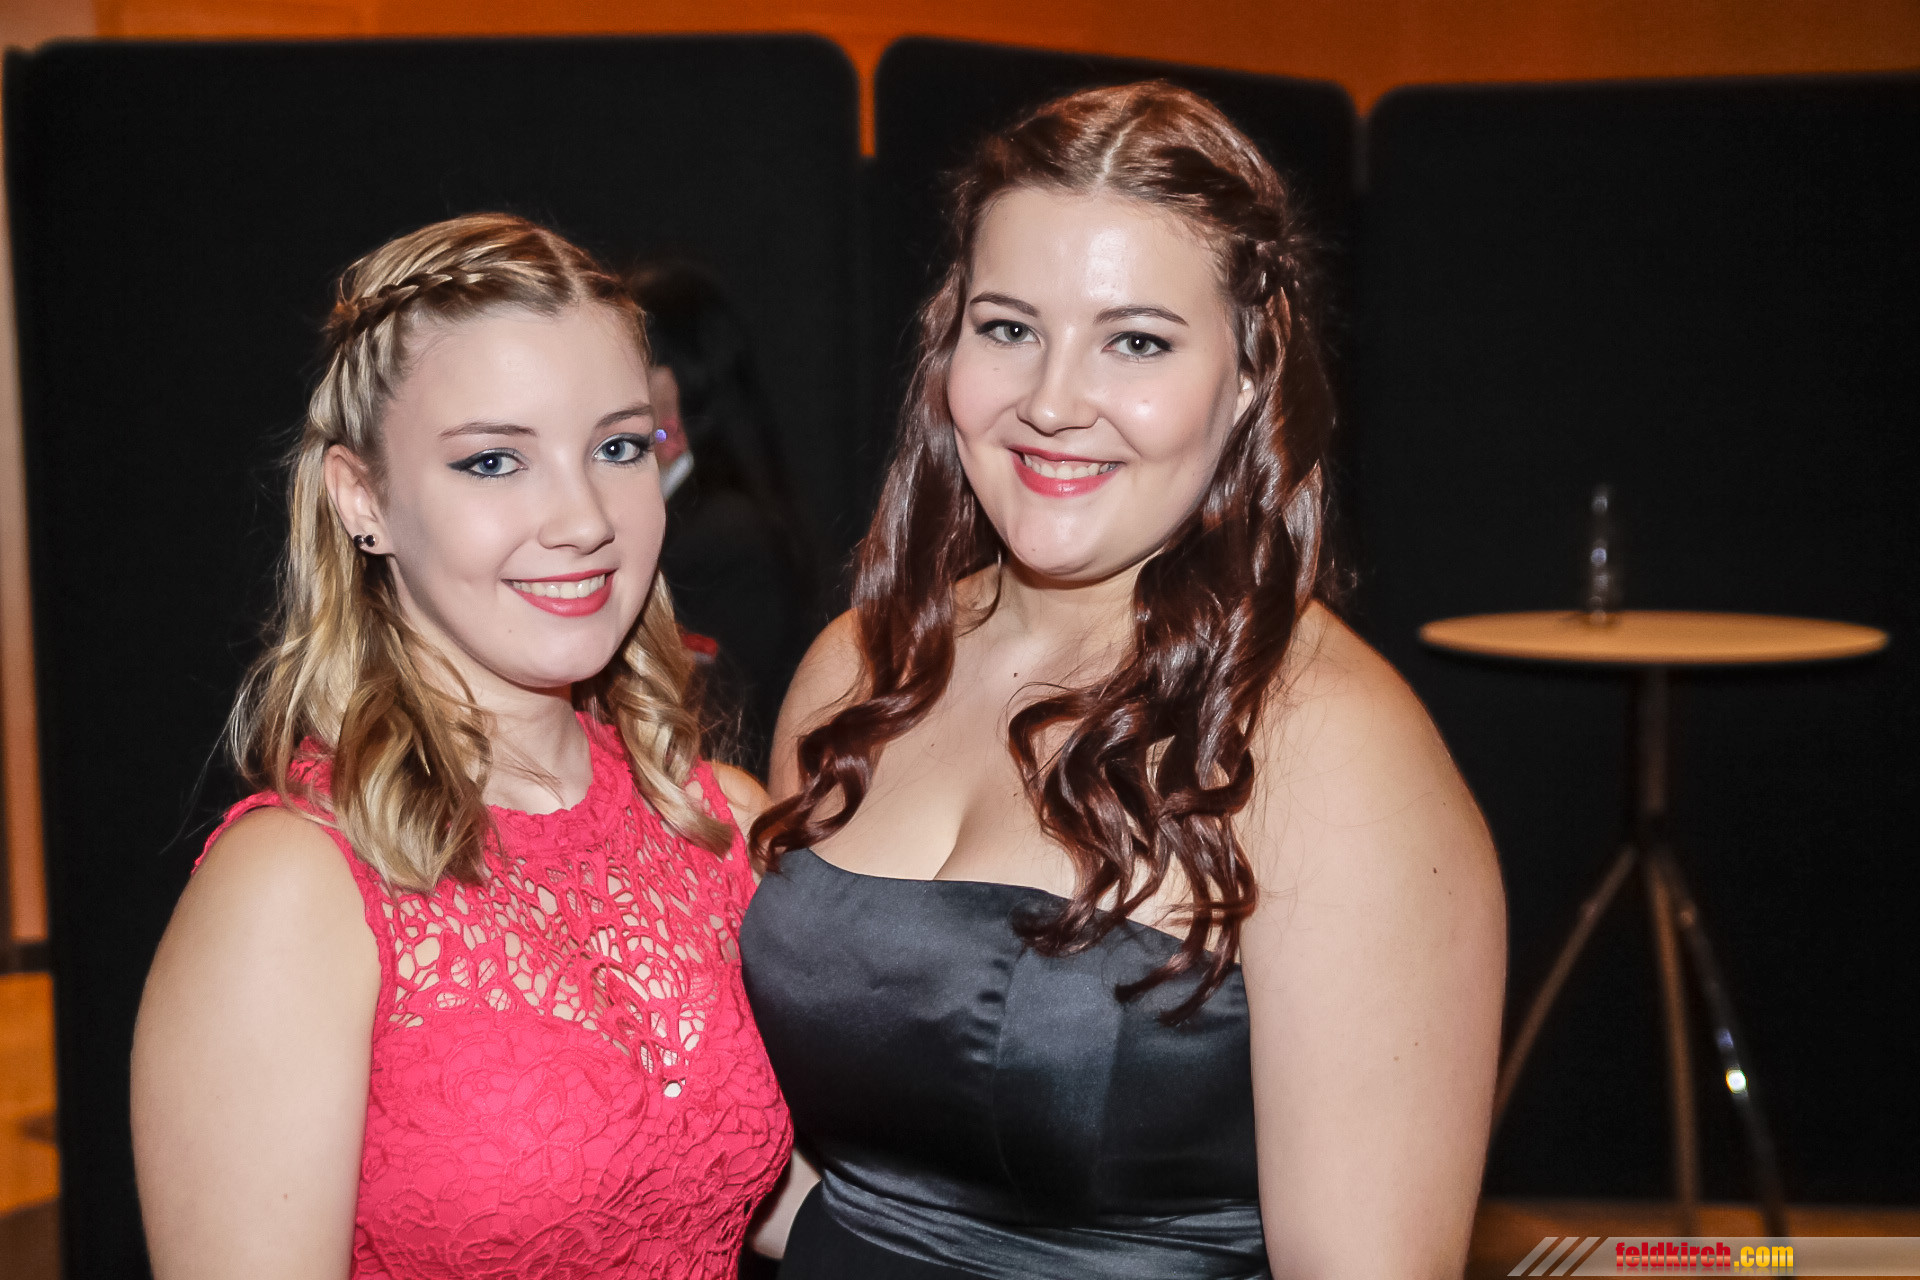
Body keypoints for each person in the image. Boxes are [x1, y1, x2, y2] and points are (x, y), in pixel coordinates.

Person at [739, 82, 1507, 1278]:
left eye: (1135, 341)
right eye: (1008, 328)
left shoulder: (1331, 744)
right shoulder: (860, 664)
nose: (1052, 402)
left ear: (1248, 376)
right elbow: (802, 1181)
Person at [130, 214, 799, 1279]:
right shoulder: (292, 888)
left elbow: (792, 1203)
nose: (583, 518)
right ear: (363, 500)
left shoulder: (718, 819)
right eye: (494, 461)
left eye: (618, 447)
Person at [627, 262, 818, 771]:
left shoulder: (727, 535)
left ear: (672, 383)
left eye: (630, 363)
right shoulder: (671, 511)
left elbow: (710, 728)